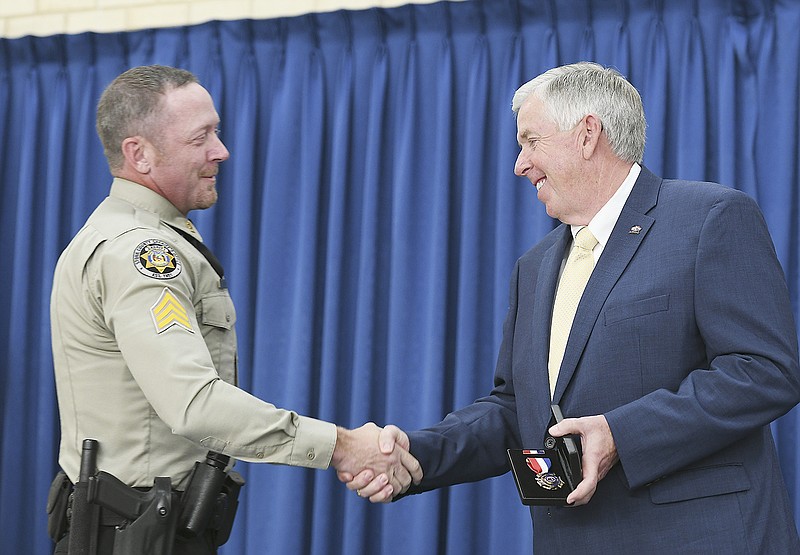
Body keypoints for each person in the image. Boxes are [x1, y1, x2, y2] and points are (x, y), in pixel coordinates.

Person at [345, 62, 800, 553]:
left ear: (587, 134)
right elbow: (515, 411)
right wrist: (417, 453)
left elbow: (764, 371)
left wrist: (620, 434)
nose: (520, 164)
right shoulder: (535, 266)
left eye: (531, 142)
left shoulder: (709, 218)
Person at [48, 64, 421, 554]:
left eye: (216, 132)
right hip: (134, 532)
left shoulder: (132, 237)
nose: (220, 151)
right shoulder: (137, 254)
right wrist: (342, 446)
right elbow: (194, 404)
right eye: (200, 137)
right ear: (139, 154)